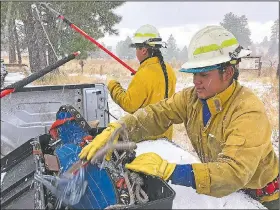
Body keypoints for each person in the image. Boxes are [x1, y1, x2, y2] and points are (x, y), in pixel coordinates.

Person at [79, 25, 279, 209]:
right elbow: (155, 115)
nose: (196, 81)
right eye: (194, 74)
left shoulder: (248, 112)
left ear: (227, 72)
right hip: (221, 189)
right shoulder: (192, 98)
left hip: (262, 198)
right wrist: (117, 130)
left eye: (204, 75)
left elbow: (233, 173)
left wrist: (172, 171)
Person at [106, 24, 176, 140]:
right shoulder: (168, 69)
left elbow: (128, 104)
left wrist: (112, 85)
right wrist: (141, 75)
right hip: (165, 135)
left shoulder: (144, 75)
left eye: (136, 48)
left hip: (147, 137)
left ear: (143, 50)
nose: (136, 52)